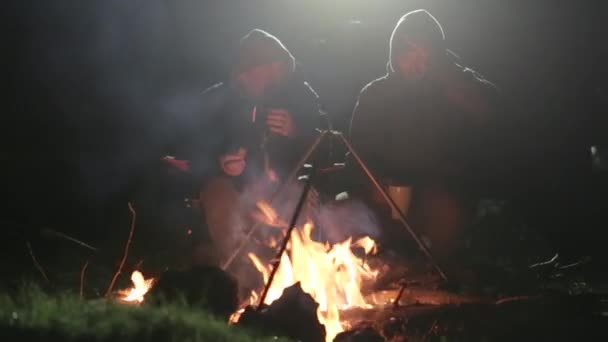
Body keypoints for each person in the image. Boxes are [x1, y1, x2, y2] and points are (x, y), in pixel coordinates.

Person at [348, 9, 500, 264]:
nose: (416, 62)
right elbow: (356, 155)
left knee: (444, 208)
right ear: (395, 53)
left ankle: (437, 271)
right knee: (347, 211)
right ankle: (376, 269)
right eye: (408, 52)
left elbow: (493, 112)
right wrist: (371, 182)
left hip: (442, 194)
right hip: (388, 195)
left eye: (424, 53)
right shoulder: (375, 95)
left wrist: (443, 76)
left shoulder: (454, 85)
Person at [181, 29, 330, 268]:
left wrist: (297, 131)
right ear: (245, 73)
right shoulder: (217, 100)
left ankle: (301, 275)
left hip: (286, 182)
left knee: (300, 200)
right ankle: (244, 274)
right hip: (232, 187)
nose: (274, 77)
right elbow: (192, 154)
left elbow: (328, 147)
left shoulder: (301, 97)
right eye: (266, 71)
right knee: (218, 195)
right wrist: (220, 163)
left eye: (279, 69)